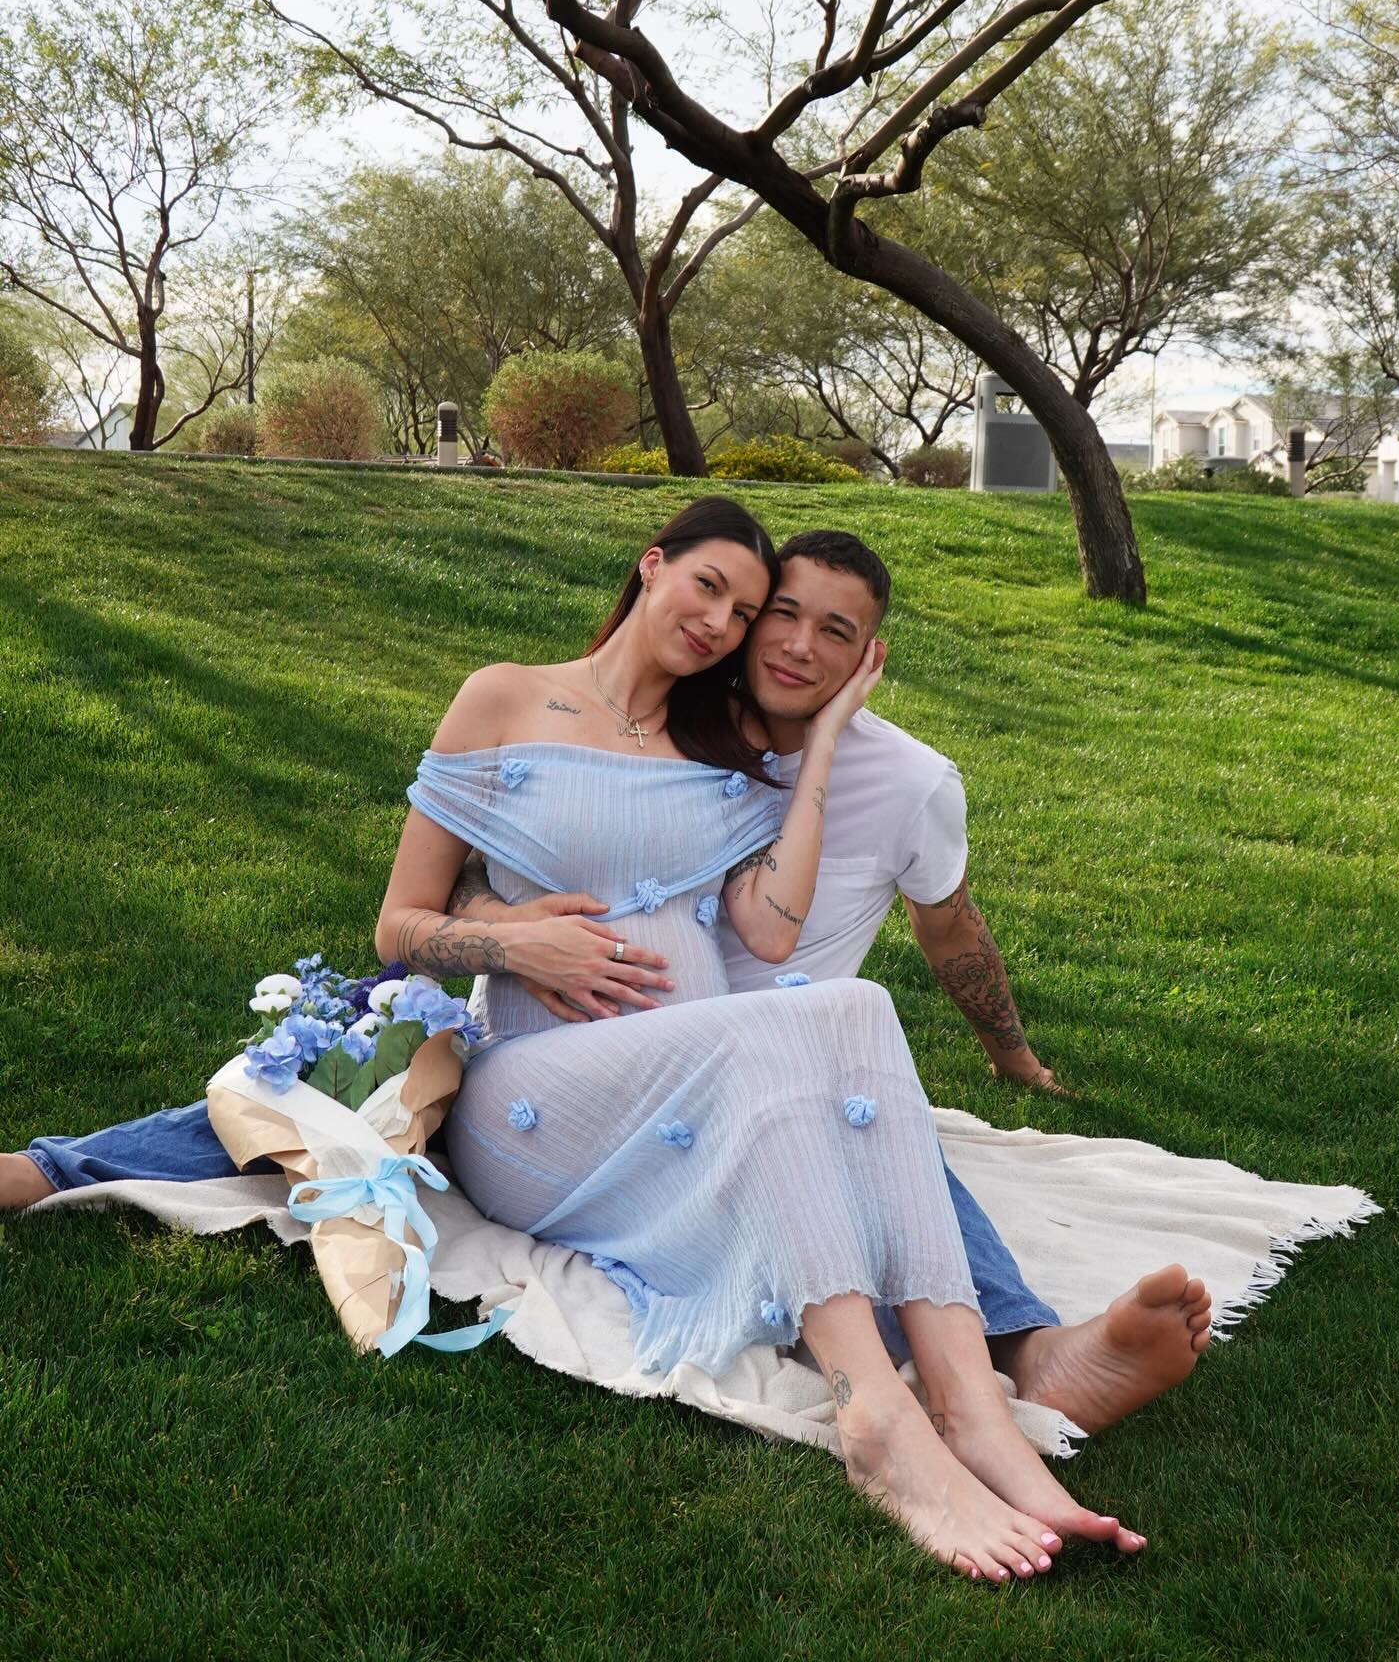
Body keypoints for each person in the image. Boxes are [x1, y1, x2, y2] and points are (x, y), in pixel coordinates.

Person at [1, 496, 1142, 1583]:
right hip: (536, 1096)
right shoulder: (503, 698)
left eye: (746, 612)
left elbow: (773, 931)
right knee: (340, 1055)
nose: (726, 624)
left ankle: (975, 1415)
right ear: (652, 565)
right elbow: (399, 927)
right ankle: (878, 1417)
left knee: (852, 1012)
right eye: (713, 589)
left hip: (685, 1084)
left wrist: (831, 741)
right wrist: (512, 941)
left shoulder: (720, 746)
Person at [453, 528, 1211, 1439]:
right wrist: (502, 929)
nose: (798, 646)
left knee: (855, 1103)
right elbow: (507, 853)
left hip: (806, 1060)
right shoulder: (674, 726)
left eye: (836, 632)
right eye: (779, 614)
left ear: (868, 657)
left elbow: (949, 927)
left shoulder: (909, 782)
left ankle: (1024, 1350)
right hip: (608, 1060)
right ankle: (989, 1364)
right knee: (828, 1112)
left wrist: (1012, 1056)